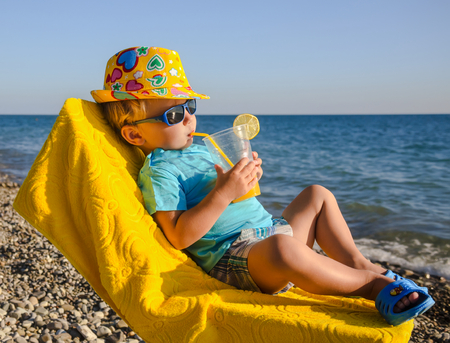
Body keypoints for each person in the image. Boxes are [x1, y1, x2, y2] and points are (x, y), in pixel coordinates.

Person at [91, 46, 434, 326]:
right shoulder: (159, 172)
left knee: (317, 194)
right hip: (237, 258)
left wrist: (246, 179)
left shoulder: (203, 144)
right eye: (173, 115)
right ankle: (371, 286)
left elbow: (240, 198)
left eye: (189, 106)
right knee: (285, 251)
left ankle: (360, 264)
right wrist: (225, 192)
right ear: (135, 133)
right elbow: (180, 235)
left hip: (269, 232)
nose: (189, 118)